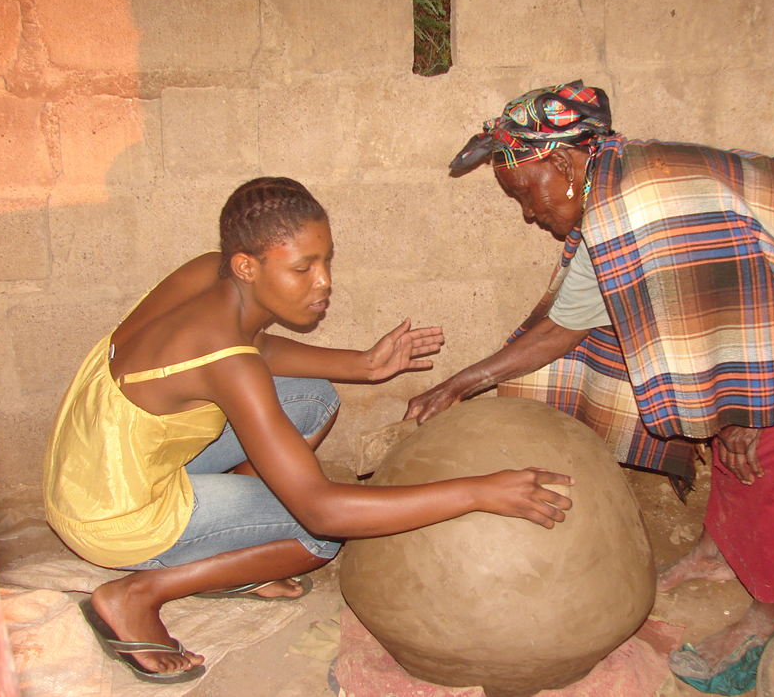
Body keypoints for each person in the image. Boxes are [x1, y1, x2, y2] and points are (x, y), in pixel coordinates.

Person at [405, 82, 774, 694]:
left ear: (563, 162)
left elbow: (742, 308)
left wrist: (744, 409)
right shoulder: (606, 208)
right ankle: (719, 550)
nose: (527, 212)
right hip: (769, 280)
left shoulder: (645, 202)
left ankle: (770, 612)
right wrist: (460, 383)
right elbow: (562, 328)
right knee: (722, 418)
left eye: (524, 192)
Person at [43, 177, 573, 684]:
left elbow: (251, 345)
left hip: (91, 466)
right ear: (247, 266)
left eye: (325, 261)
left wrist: (364, 364)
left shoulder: (210, 274)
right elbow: (323, 509)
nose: (324, 282)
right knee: (316, 535)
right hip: (115, 516)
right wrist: (479, 491)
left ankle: (232, 545)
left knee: (311, 398)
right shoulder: (228, 365)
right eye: (303, 268)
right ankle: (137, 595)